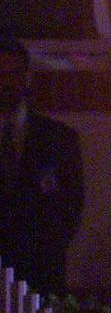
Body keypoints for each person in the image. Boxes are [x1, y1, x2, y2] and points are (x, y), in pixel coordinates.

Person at [0, 37, 84, 296]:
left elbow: (71, 205)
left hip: (40, 274)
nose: (6, 82)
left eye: (13, 74)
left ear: (26, 77)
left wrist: (43, 248)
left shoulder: (59, 139)